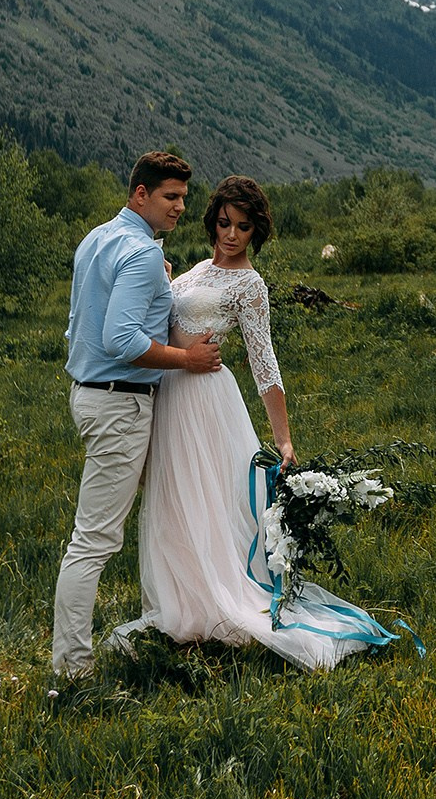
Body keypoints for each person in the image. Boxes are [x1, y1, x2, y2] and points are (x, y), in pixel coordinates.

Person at [111, 174, 397, 670]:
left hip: (204, 399)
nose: (231, 235)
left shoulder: (250, 285)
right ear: (213, 222)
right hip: (171, 391)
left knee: (207, 500)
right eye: (224, 223)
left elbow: (265, 366)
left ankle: (217, 600)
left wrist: (284, 440)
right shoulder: (198, 269)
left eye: (242, 227)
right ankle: (182, 601)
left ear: (255, 232)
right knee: (175, 500)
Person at [50, 151, 223, 680]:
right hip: (120, 402)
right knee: (95, 539)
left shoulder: (97, 239)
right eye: (170, 196)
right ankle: (72, 668)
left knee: (162, 509)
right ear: (140, 193)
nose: (180, 207)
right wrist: (188, 360)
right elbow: (121, 339)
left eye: (184, 198)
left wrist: (157, 282)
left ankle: (179, 613)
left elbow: (82, 322)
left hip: (89, 393)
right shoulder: (141, 253)